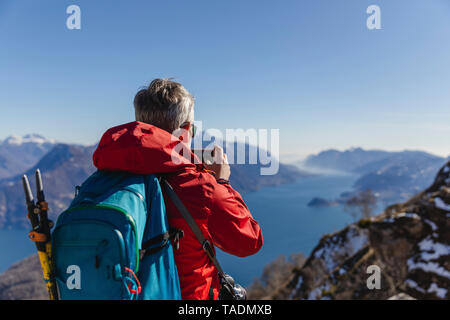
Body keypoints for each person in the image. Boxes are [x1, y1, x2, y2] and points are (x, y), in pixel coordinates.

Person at [92, 78, 263, 300]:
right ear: (186, 129)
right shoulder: (200, 189)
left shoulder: (106, 176)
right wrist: (222, 183)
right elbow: (249, 242)